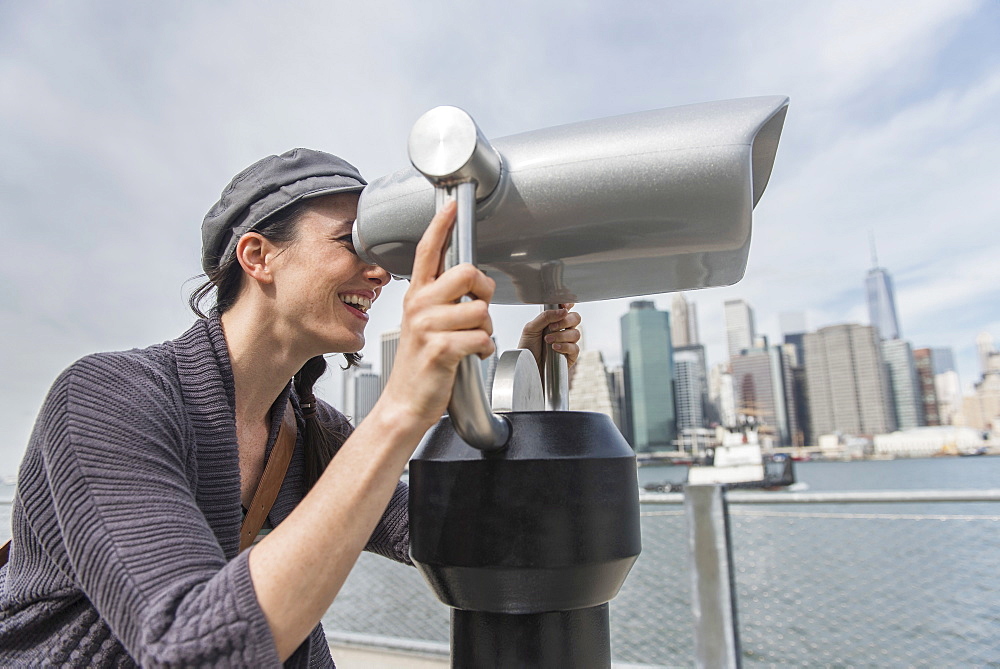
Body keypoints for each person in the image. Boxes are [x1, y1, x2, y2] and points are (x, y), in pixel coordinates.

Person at [0, 149, 582, 667]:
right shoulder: (108, 397)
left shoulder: (310, 432)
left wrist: (519, 405)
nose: (379, 272)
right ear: (258, 256)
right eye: (350, 244)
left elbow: (445, 535)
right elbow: (188, 649)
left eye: (379, 252)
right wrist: (399, 410)